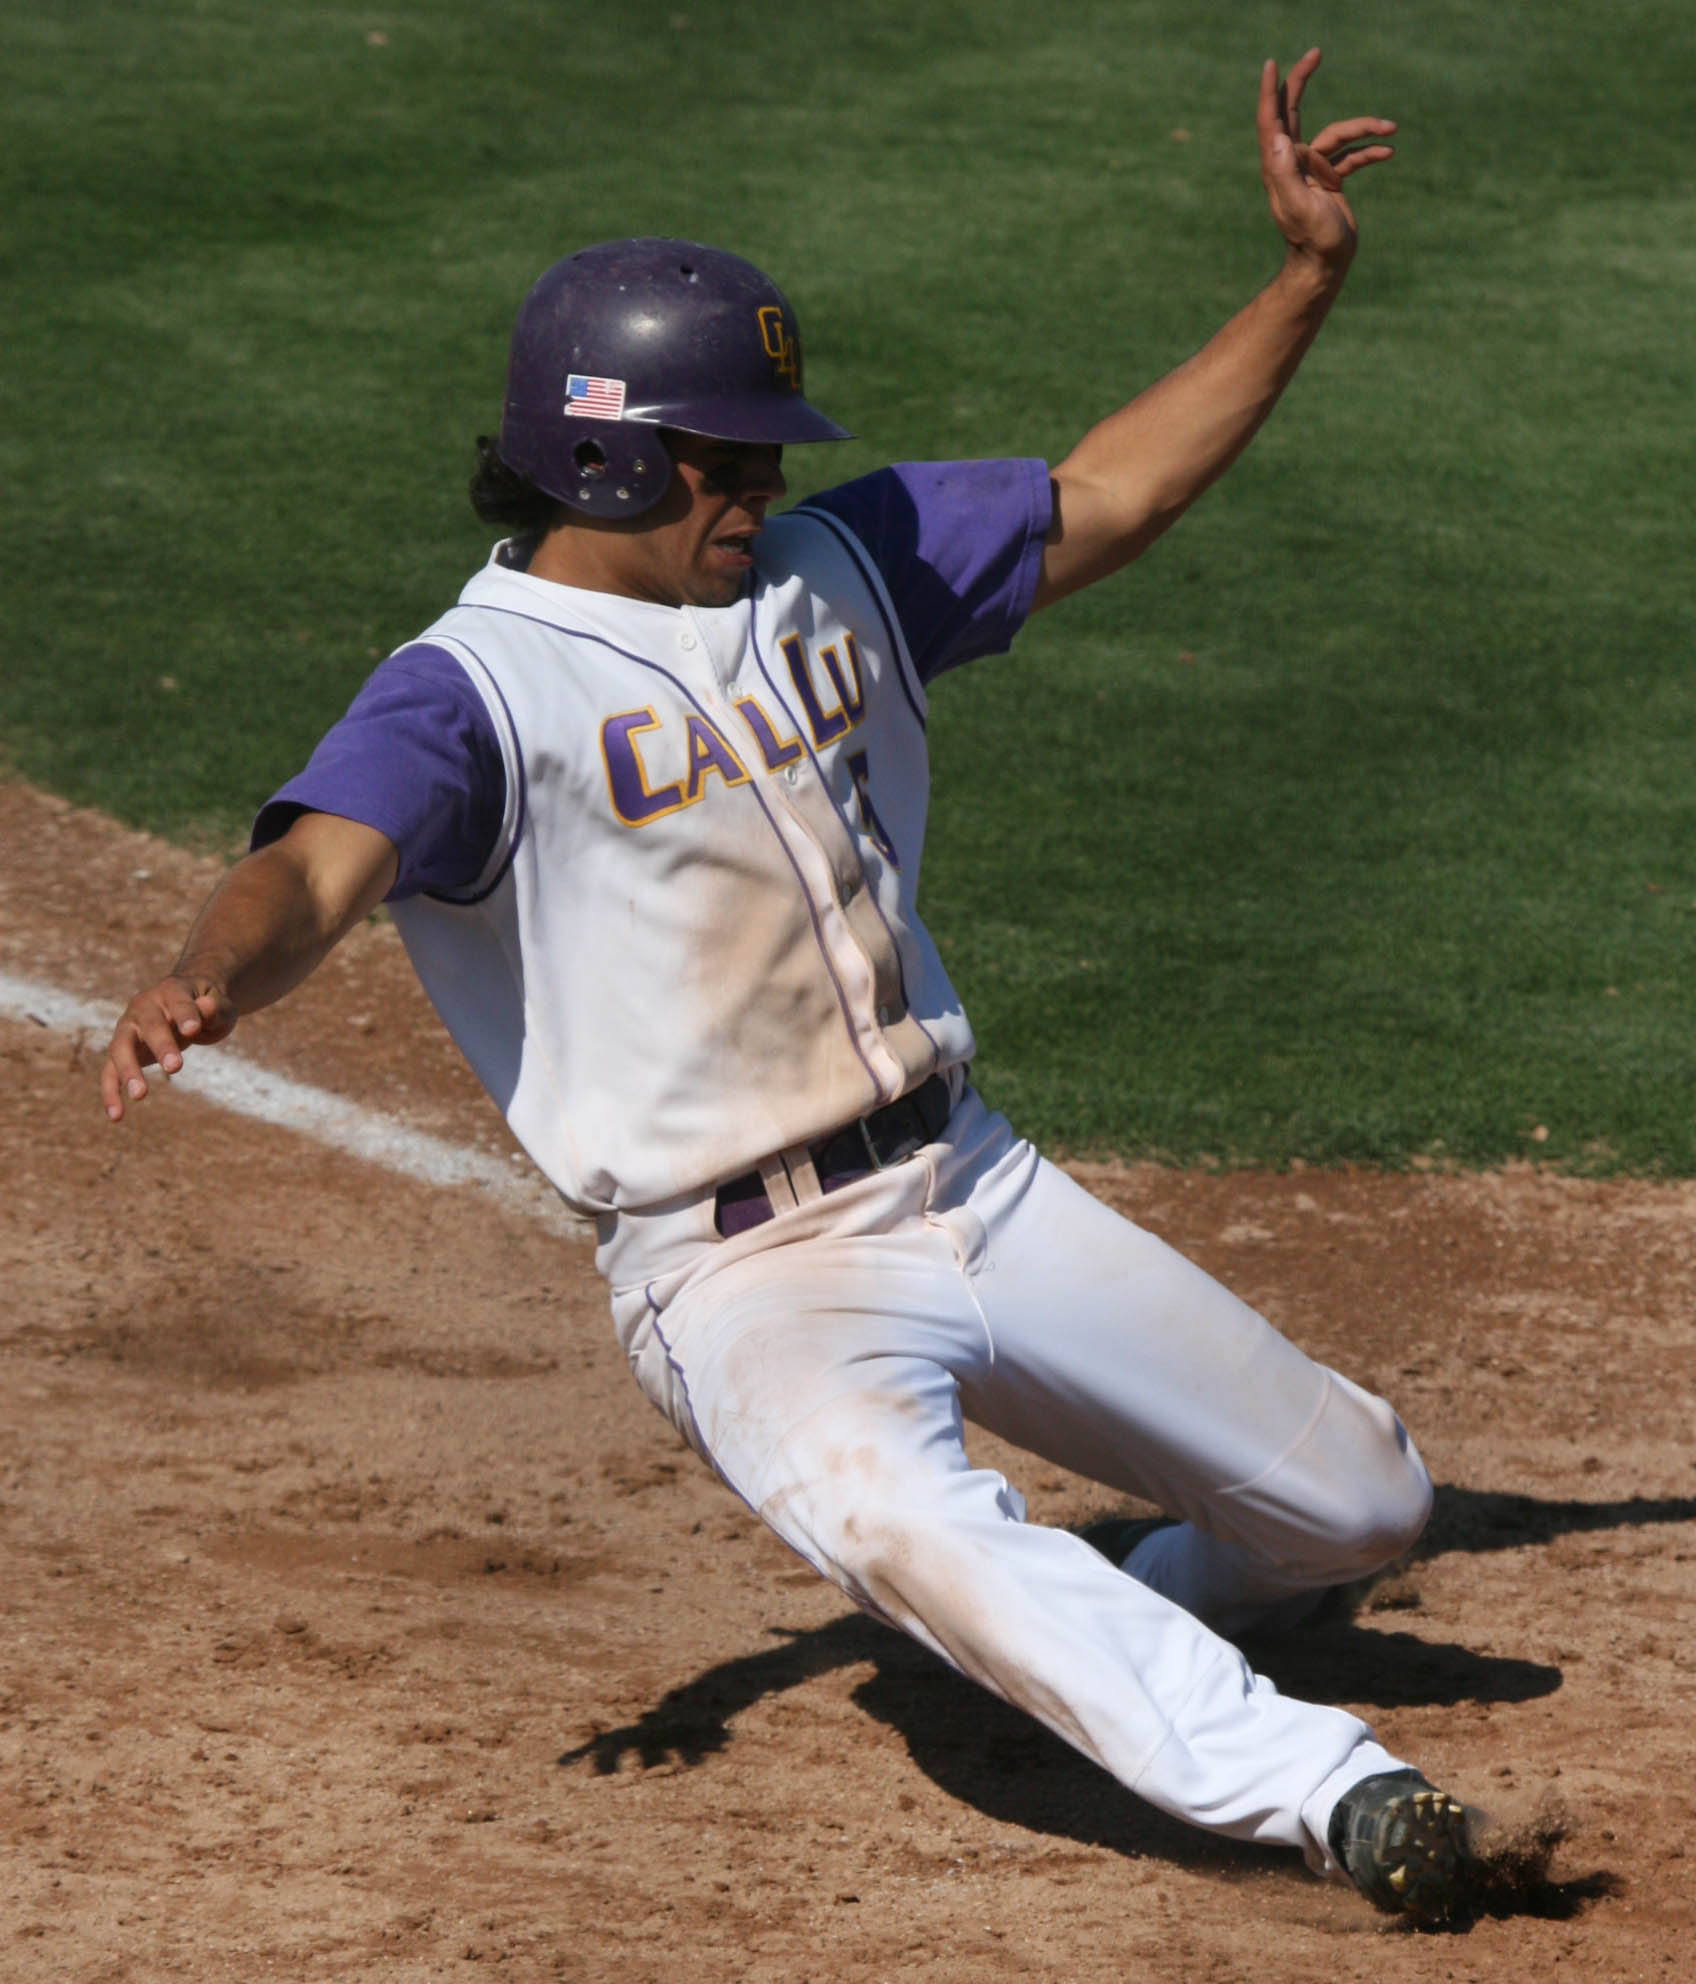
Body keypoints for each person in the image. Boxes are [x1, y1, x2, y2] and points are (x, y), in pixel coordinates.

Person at [101, 51, 1482, 1922]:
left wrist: (1307, 280)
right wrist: (207, 976)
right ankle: (1335, 1792)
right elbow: (309, 868)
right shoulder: (478, 690)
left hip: (972, 1180)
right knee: (928, 1530)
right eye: (723, 453)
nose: (763, 478)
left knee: (1364, 1508)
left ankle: (1130, 1627)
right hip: (745, 1280)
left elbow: (1109, 496)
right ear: (601, 453)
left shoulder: (837, 571)